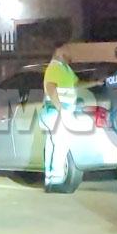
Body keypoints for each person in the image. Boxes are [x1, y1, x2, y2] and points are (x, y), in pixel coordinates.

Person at [41, 46, 80, 192]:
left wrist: (95, 83)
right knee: (61, 143)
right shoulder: (54, 67)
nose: (70, 55)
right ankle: (56, 180)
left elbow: (76, 84)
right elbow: (50, 88)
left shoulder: (66, 69)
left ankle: (50, 180)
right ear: (59, 53)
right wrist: (61, 109)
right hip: (56, 110)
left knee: (53, 144)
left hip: (56, 110)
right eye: (67, 52)